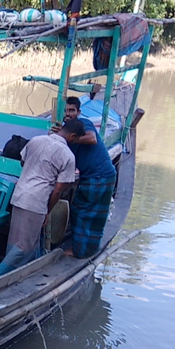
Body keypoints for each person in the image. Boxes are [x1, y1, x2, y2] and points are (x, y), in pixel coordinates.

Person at [0, 119, 84, 278]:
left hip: (20, 195)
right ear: (73, 136)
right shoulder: (67, 155)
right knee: (23, 247)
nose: (75, 142)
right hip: (36, 201)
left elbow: (23, 161)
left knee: (15, 242)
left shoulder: (36, 140)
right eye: (76, 140)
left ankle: (17, 276)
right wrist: (47, 211)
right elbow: (57, 191)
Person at [63, 96, 118, 258]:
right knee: (93, 214)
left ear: (79, 112)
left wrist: (72, 138)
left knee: (81, 211)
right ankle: (89, 248)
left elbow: (92, 139)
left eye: (72, 110)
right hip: (100, 175)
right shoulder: (67, 129)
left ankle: (80, 251)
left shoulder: (83, 124)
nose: (68, 114)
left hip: (99, 176)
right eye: (65, 110)